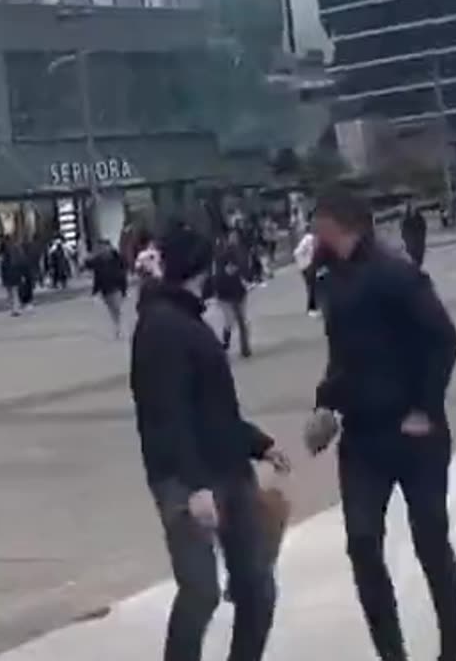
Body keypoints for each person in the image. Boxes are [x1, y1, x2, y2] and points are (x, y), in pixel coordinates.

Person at [305, 186, 456, 661]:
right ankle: (391, 654)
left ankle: (453, 648)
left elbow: (444, 340)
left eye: (317, 220)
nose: (312, 229)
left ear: (339, 223)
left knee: (431, 540)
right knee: (361, 543)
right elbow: (344, 355)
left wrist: (426, 408)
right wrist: (325, 405)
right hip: (362, 437)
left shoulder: (398, 274)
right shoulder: (331, 279)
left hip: (415, 435)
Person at [131, 225, 290, 661]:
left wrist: (257, 443)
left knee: (256, 584)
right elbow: (168, 414)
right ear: (203, 268)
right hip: (188, 479)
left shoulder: (184, 317)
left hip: (227, 469)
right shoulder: (163, 325)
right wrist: (196, 485)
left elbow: (213, 406)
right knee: (201, 591)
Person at [214, 232, 252, 358]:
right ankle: (225, 345)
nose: (234, 239)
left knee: (243, 320)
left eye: (236, 237)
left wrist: (246, 278)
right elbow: (218, 276)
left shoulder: (241, 253)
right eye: (231, 237)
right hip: (225, 294)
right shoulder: (220, 256)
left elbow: (246, 270)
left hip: (239, 291)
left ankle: (245, 348)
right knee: (229, 321)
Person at [85, 239, 128, 338]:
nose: (103, 249)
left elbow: (123, 272)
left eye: (104, 247)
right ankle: (117, 326)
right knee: (112, 309)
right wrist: (95, 290)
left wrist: (124, 287)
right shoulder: (98, 260)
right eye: (101, 247)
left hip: (116, 286)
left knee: (117, 308)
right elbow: (95, 274)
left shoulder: (116, 257)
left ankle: (120, 328)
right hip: (105, 288)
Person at [294, 228, 320, 317]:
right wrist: (304, 265)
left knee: (316, 286)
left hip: (313, 265)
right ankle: (311, 308)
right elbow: (297, 252)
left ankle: (315, 307)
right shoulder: (309, 239)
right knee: (312, 286)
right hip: (308, 266)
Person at [400, 201, 428, 269]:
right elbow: (404, 232)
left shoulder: (419, 219)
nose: (412, 210)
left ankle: (417, 268)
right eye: (411, 209)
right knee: (414, 259)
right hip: (412, 244)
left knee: (418, 259)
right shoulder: (406, 220)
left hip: (418, 243)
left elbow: (423, 229)